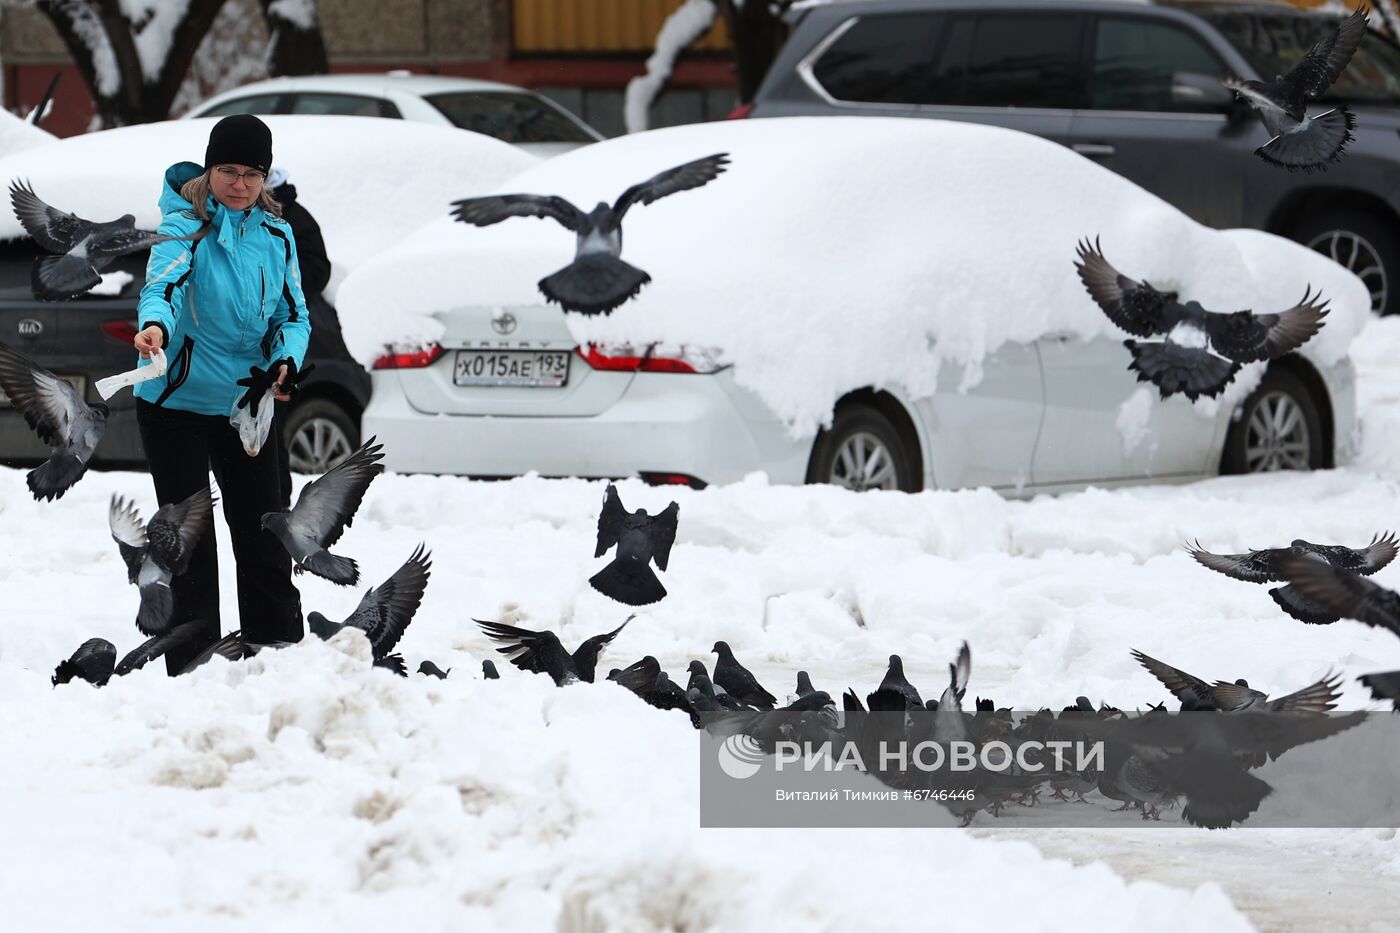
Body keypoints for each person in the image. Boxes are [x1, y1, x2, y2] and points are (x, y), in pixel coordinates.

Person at [131, 114, 312, 675]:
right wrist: (155, 326)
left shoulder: (277, 236)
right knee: (189, 537)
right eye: (228, 171)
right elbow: (163, 283)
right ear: (209, 171)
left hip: (244, 408)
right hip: (176, 405)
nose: (239, 183)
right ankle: (193, 659)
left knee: (264, 527)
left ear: (265, 179)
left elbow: (293, 316)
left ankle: (274, 647)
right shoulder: (184, 228)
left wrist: (286, 360)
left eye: (252, 174)